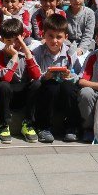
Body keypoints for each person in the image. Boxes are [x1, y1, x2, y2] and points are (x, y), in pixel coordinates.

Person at [28, 13, 81, 143]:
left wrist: (70, 76)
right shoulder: (38, 52)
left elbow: (80, 75)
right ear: (43, 35)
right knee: (51, 86)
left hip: (65, 92)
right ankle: (44, 127)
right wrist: (44, 76)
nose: (54, 41)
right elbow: (32, 76)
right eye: (50, 36)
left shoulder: (70, 53)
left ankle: (71, 127)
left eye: (59, 37)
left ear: (65, 37)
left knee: (69, 88)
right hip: (46, 93)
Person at [0, 17, 39, 143]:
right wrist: (14, 56)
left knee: (37, 83)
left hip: (24, 93)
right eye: (9, 41)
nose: (13, 45)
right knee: (3, 85)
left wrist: (24, 48)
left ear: (22, 37)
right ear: (2, 40)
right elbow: (6, 78)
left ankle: (28, 123)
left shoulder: (27, 54)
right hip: (8, 95)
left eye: (17, 40)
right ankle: (4, 124)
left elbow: (36, 75)